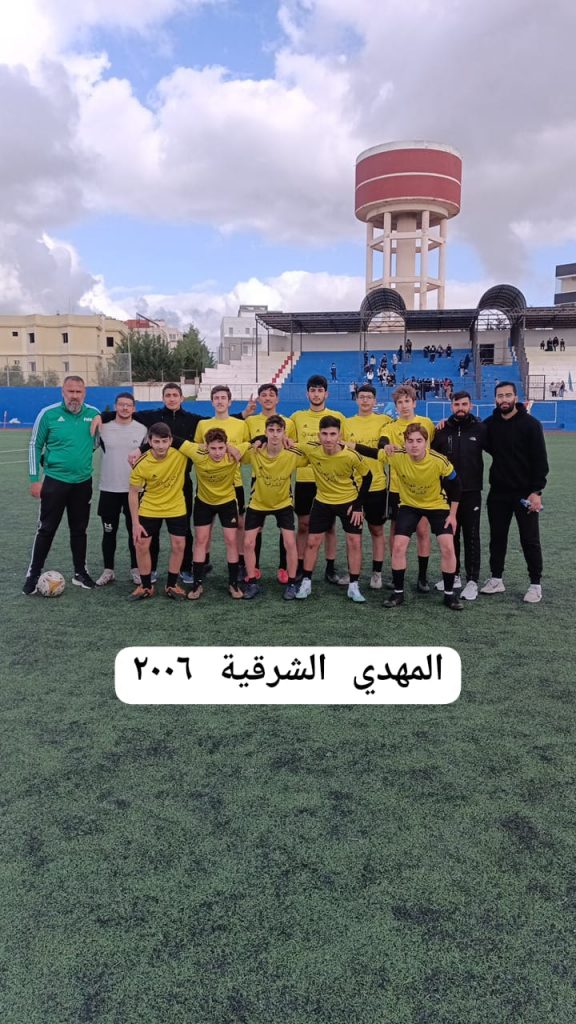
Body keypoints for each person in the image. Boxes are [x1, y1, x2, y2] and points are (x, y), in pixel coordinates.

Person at [94, 382, 254, 584]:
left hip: (182, 479)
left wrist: (242, 416)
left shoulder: (193, 420)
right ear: (163, 398)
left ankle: (186, 568)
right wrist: (103, 416)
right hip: (155, 482)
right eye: (168, 395)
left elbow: (218, 421)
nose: (171, 398)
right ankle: (151, 570)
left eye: (175, 395)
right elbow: (126, 413)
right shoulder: (152, 416)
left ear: (181, 398)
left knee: (184, 527)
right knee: (152, 529)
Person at [348, 424, 463, 611]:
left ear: (426, 443)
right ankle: (398, 592)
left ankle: (449, 595)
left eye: (419, 441)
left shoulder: (439, 460)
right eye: (410, 441)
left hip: (437, 506)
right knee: (398, 545)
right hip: (409, 506)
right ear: (405, 443)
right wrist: (343, 444)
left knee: (448, 547)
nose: (414, 445)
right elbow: (370, 452)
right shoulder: (397, 455)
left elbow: (456, 484)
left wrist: (452, 515)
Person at [24, 376, 100, 594]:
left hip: (82, 483)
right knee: (46, 529)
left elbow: (96, 442)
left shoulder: (93, 414)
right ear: (62, 392)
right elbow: (35, 446)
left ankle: (80, 572)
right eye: (70, 391)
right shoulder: (48, 414)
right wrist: (34, 479)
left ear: (84, 393)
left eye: (78, 392)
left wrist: (79, 457)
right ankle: (33, 575)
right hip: (54, 482)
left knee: (79, 530)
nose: (74, 396)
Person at [290, 416, 372, 603]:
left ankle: (354, 586)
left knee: (354, 542)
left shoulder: (351, 455)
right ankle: (306, 582)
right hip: (322, 501)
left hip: (348, 502)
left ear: (339, 435)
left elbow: (368, 477)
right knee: (312, 542)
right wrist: (262, 440)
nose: (328, 438)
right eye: (324, 434)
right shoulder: (311, 449)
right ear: (319, 435)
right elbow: (288, 443)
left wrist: (358, 505)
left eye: (333, 434)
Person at [480, 382, 549, 603]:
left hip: (525, 493)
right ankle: (496, 579)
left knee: (529, 539)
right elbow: (473, 435)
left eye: (508, 395)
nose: (504, 399)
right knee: (497, 538)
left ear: (516, 397)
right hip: (498, 493)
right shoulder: (489, 424)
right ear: (495, 399)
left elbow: (540, 460)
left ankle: (535, 585)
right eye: (500, 396)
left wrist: (536, 491)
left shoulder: (531, 425)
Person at [240, 416, 305, 601]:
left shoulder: (292, 454)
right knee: (248, 543)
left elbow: (314, 452)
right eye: (271, 430)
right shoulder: (255, 452)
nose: (275, 434)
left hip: (283, 503)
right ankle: (252, 582)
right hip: (257, 503)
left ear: (284, 433)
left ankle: (291, 583)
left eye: (278, 431)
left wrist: (294, 443)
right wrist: (255, 441)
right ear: (266, 432)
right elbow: (237, 451)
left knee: (290, 543)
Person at [291, 375, 347, 584]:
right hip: (305, 479)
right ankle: (300, 565)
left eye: (320, 390)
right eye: (313, 390)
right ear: (307, 394)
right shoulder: (296, 418)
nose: (316, 394)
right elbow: (290, 444)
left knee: (330, 526)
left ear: (326, 393)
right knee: (303, 525)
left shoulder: (337, 417)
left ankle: (330, 568)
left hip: (329, 480)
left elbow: (344, 447)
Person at [431, 391, 485, 600]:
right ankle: (454, 576)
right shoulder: (442, 430)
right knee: (450, 535)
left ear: (470, 405)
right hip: (447, 493)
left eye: (464, 404)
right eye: (457, 404)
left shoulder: (480, 429)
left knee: (471, 535)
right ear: (451, 406)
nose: (460, 408)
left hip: (471, 491)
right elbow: (432, 457)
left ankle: (472, 581)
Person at [128, 423, 191, 601]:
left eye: (164, 441)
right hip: (150, 507)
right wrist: (135, 523)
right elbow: (133, 493)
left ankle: (171, 584)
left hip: (176, 506)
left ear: (171, 440)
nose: (161, 446)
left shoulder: (181, 454)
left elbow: (202, 448)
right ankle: (146, 586)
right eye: (156, 441)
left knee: (179, 545)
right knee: (141, 545)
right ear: (149, 441)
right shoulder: (141, 462)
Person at [194, 385, 251, 579]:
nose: (220, 401)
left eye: (223, 398)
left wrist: (235, 449)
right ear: (212, 402)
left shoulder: (240, 424)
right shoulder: (203, 424)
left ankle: (240, 562)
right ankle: (204, 562)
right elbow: (198, 449)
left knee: (239, 524)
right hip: (208, 484)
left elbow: (246, 448)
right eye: (216, 398)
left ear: (230, 401)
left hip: (234, 483)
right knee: (206, 526)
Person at [383, 385, 436, 592]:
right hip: (398, 488)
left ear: (414, 403)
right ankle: (396, 574)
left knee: (422, 530)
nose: (404, 405)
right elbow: (383, 442)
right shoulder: (390, 427)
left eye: (407, 401)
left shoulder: (427, 423)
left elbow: (435, 448)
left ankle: (422, 577)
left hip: (423, 488)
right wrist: (385, 445)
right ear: (395, 406)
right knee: (396, 531)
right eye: (400, 402)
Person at [95, 393, 148, 587]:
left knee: (135, 531)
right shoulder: (103, 427)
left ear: (134, 408)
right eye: (121, 404)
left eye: (128, 405)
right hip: (108, 489)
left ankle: (136, 569)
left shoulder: (142, 429)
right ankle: (108, 570)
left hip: (134, 489)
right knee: (109, 532)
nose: (125, 408)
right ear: (115, 406)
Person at [245, 382, 296, 582]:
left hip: (281, 478)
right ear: (259, 399)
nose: (267, 398)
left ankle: (283, 568)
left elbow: (292, 445)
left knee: (285, 529)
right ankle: (254, 567)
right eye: (264, 395)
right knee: (257, 528)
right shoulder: (250, 421)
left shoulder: (288, 422)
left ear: (277, 399)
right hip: (258, 477)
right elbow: (245, 443)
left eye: (271, 394)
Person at [344, 384, 393, 589]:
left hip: (377, 486)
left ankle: (377, 573)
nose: (365, 400)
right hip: (353, 487)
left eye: (369, 397)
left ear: (375, 401)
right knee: (352, 534)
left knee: (376, 530)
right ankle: (352, 572)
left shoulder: (385, 421)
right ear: (356, 399)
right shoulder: (347, 423)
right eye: (361, 397)